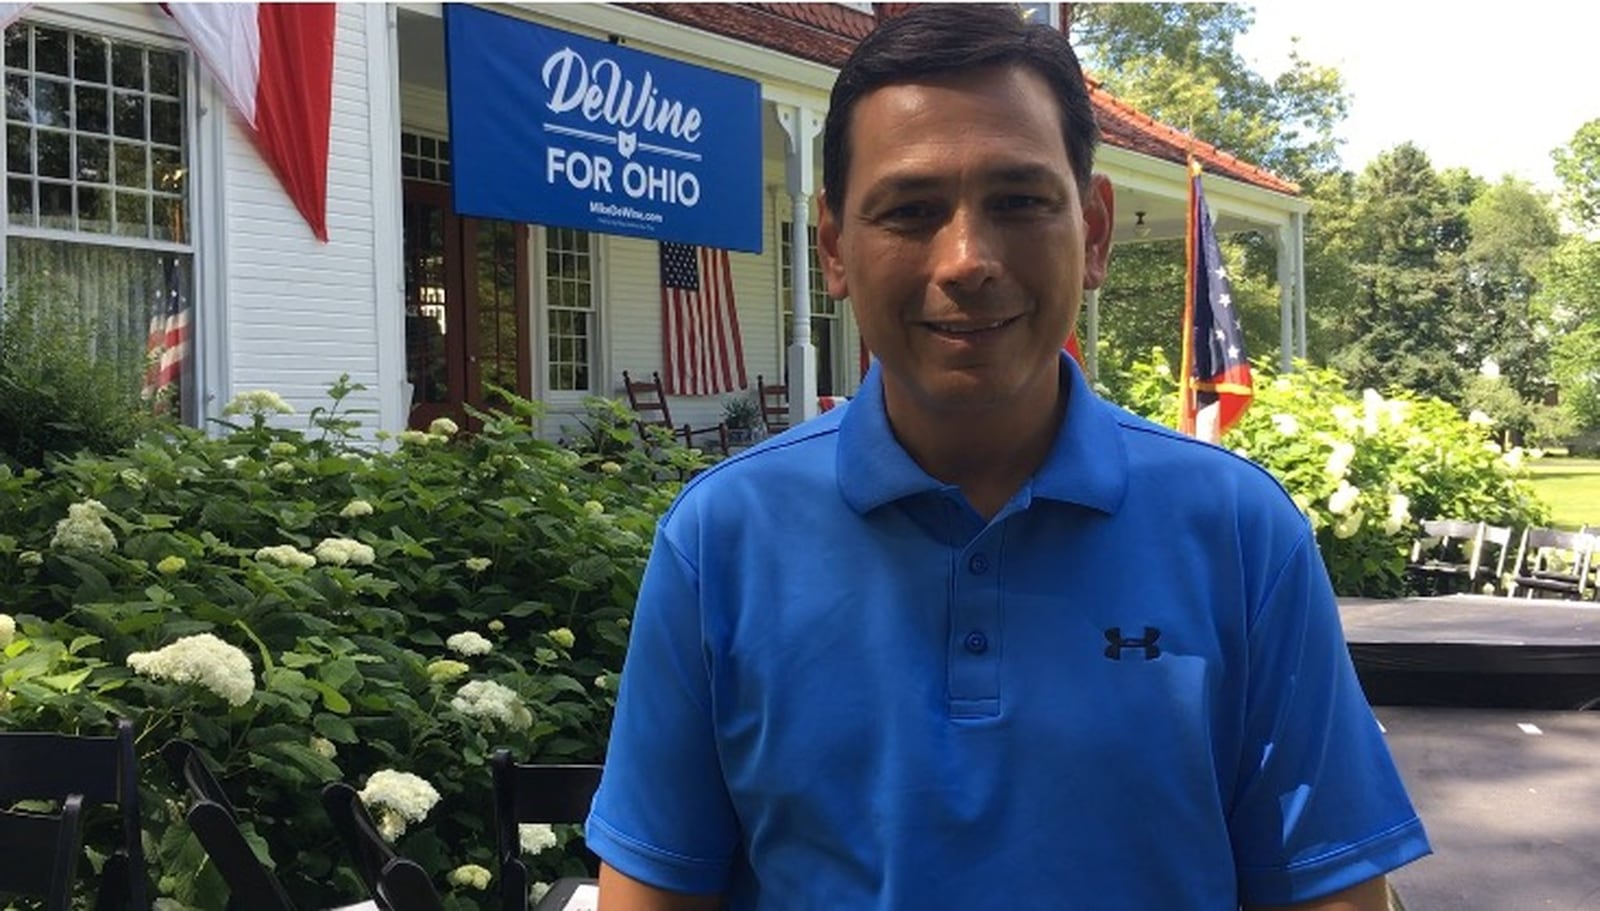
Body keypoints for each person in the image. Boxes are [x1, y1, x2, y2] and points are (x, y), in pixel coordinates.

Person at [585, 5, 1431, 909]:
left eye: (1019, 200)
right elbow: (654, 890)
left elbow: (1332, 890)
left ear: (1095, 230)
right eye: (910, 211)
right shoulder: (722, 540)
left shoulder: (1237, 532)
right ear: (834, 247)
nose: (967, 259)